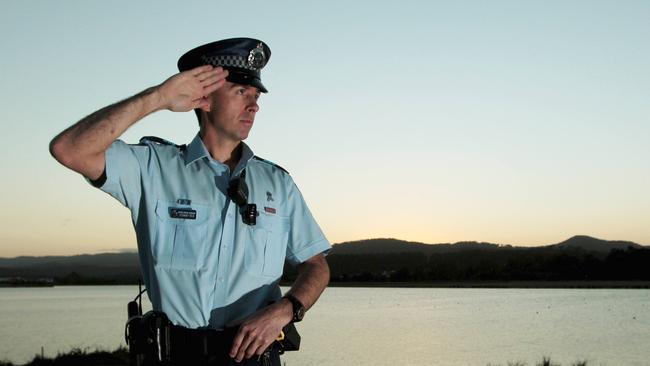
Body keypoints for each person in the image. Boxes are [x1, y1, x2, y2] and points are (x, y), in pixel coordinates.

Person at [50, 38, 331, 365]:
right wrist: (158, 97)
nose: (254, 106)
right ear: (205, 100)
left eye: (255, 96)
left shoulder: (278, 184)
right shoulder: (153, 168)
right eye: (241, 93)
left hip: (256, 358)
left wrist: (286, 310)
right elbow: (69, 149)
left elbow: (317, 266)